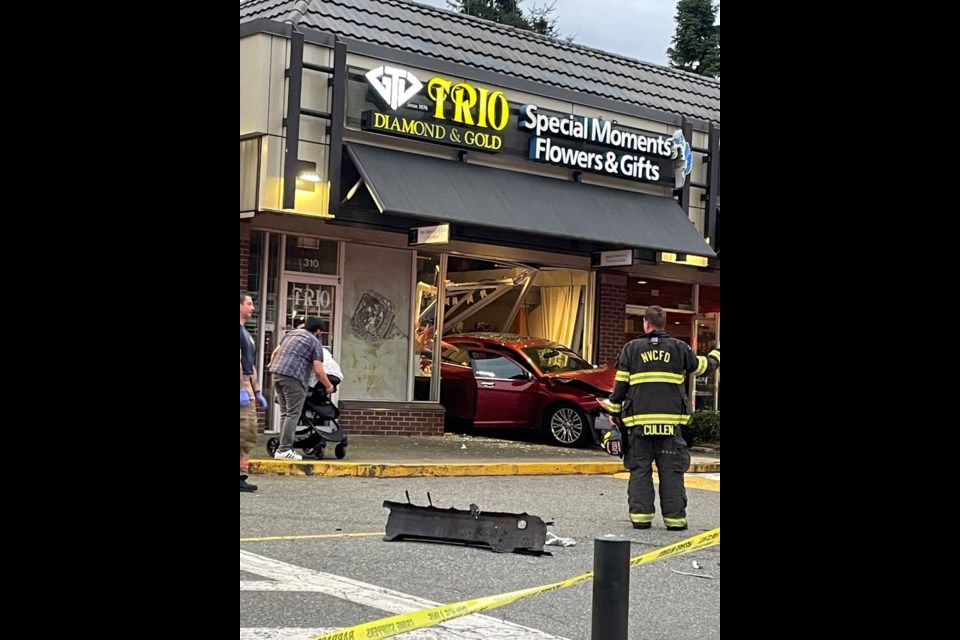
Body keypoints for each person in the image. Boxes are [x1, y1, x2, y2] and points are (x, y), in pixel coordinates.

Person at [604, 305, 720, 531]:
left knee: (640, 471)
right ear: (663, 323)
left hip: (639, 427)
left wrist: (613, 413)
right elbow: (704, 367)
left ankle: (641, 518)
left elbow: (620, 387)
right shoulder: (679, 348)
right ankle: (675, 521)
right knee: (672, 474)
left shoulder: (631, 349)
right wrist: (717, 352)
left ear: (646, 324)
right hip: (670, 428)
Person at [268, 316, 336, 460]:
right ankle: (285, 449)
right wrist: (329, 386)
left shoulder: (291, 334)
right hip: (293, 377)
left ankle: (282, 448)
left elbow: (275, 352)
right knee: (293, 414)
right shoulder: (314, 342)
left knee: (285, 413)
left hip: (276, 373)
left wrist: (271, 365)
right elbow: (318, 370)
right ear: (317, 330)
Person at [240, 293, 269, 493]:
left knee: (248, 432)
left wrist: (257, 390)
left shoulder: (246, 333)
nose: (253, 307)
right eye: (249, 303)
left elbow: (250, 363)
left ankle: (241, 476)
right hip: (241, 383)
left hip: (247, 384)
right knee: (241, 430)